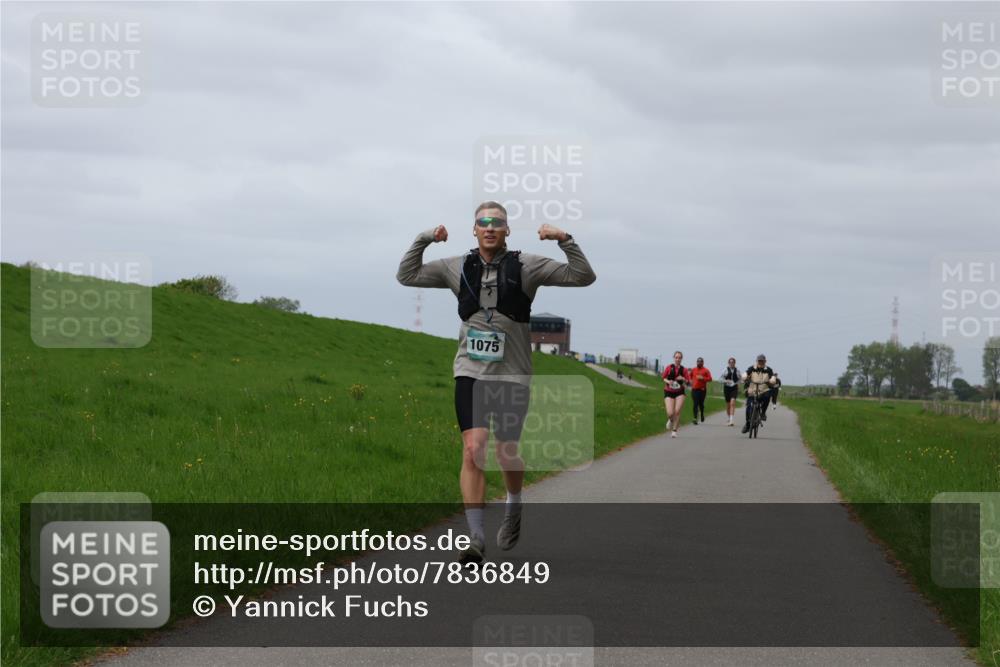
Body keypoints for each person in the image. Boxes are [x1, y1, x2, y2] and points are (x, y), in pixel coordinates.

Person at [396, 201, 596, 565]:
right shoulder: (456, 266)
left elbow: (583, 276)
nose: (490, 227)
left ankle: (514, 503)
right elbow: (406, 275)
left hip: (512, 375)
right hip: (469, 372)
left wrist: (564, 238)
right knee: (474, 449)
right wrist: (425, 238)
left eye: (497, 223)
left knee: (506, 451)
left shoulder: (527, 265)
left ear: (507, 231)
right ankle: (475, 538)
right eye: (483, 222)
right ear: (474, 230)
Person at [742, 354, 777, 434]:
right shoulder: (752, 368)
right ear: (757, 361)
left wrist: (772, 380)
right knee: (749, 407)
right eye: (759, 361)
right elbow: (746, 373)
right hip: (752, 390)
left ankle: (763, 413)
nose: (760, 362)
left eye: (762, 361)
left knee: (768, 396)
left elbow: (772, 377)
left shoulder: (768, 369)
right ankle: (748, 424)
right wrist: (744, 376)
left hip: (763, 390)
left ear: (765, 361)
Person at [661, 351, 690, 438]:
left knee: (677, 411)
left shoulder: (684, 370)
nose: (678, 359)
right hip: (669, 391)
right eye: (676, 357)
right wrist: (668, 381)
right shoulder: (669, 367)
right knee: (670, 413)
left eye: (679, 357)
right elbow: (663, 378)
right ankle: (670, 419)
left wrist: (683, 379)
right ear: (674, 358)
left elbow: (688, 381)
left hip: (680, 392)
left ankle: (674, 431)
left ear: (681, 359)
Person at [689, 357, 713, 424]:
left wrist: (703, 378)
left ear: (703, 363)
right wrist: (691, 381)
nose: (699, 363)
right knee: (695, 404)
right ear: (696, 362)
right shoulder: (693, 369)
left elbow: (710, 379)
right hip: (694, 389)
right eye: (698, 361)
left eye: (700, 362)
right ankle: (695, 418)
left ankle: (702, 414)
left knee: (701, 404)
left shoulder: (706, 370)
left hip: (702, 390)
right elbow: (690, 376)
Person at [720, 357, 741, 426]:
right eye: (730, 362)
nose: (731, 364)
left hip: (734, 388)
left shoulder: (737, 370)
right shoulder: (725, 370)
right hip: (727, 388)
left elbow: (740, 379)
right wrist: (726, 381)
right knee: (728, 405)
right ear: (728, 363)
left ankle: (732, 420)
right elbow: (720, 379)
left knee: (732, 403)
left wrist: (738, 383)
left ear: (735, 363)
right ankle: (729, 418)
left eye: (733, 362)